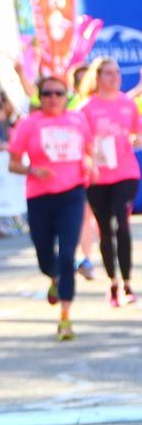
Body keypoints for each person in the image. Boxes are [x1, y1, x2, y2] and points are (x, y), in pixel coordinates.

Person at [8, 76, 94, 340]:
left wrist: (92, 166)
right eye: (47, 94)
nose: (53, 98)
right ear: (40, 97)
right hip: (40, 197)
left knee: (67, 254)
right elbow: (12, 163)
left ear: (66, 96)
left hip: (72, 194)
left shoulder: (78, 120)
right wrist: (33, 169)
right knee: (46, 257)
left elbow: (88, 150)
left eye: (59, 93)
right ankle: (54, 278)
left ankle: (65, 318)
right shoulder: (29, 124)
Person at [78, 57, 140, 306]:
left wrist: (136, 140)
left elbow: (138, 133)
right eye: (108, 73)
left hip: (126, 173)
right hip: (97, 176)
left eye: (117, 73)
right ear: (97, 77)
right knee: (104, 228)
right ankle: (112, 282)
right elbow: (78, 141)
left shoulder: (128, 104)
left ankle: (127, 283)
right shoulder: (86, 108)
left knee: (121, 225)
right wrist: (91, 154)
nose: (115, 77)